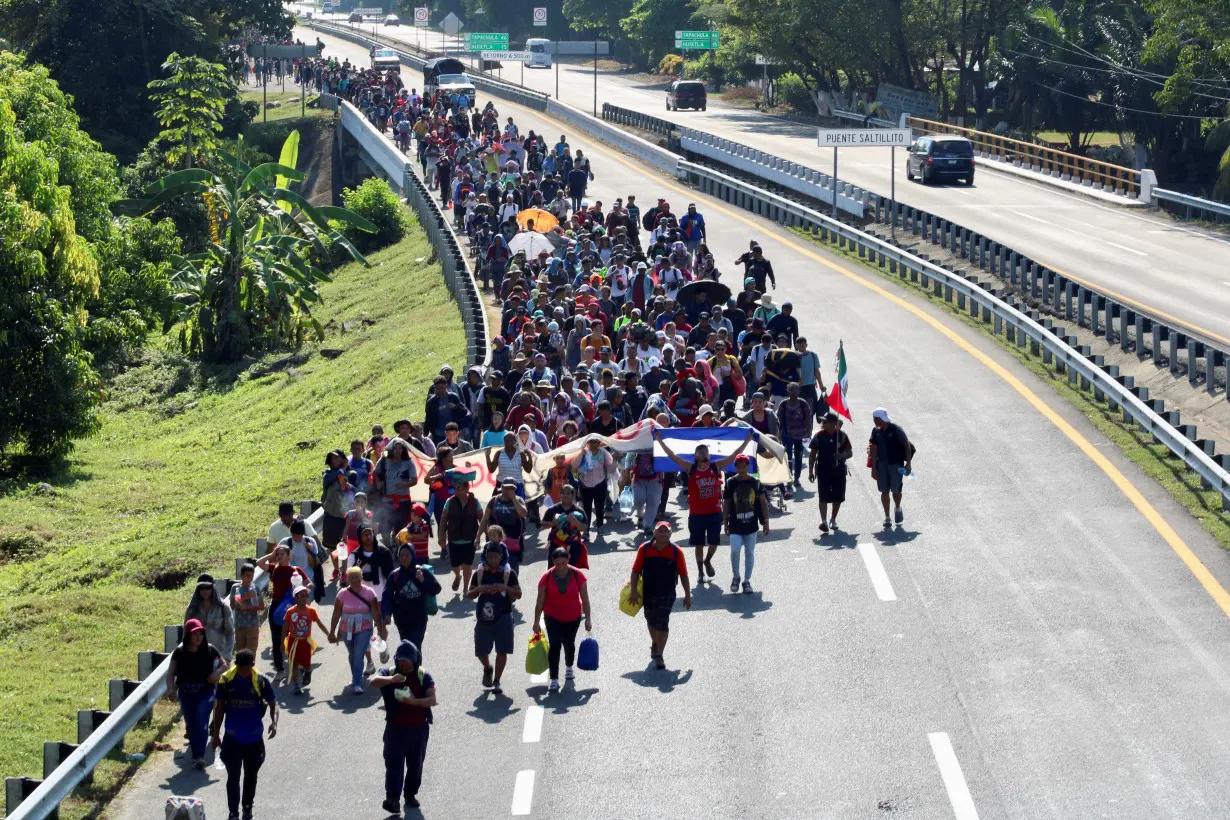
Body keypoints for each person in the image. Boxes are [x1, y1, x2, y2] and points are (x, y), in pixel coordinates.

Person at [653, 427, 754, 582]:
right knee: (699, 544)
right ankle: (700, 571)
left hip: (714, 512)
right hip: (697, 514)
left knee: (714, 543)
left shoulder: (715, 466)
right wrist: (660, 440)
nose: (703, 453)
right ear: (696, 456)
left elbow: (734, 455)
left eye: (705, 451)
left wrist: (747, 440)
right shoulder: (690, 468)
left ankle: (707, 560)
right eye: (700, 452)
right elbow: (672, 456)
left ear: (709, 454)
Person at [210, 649, 277, 820]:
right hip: (233, 739)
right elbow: (219, 709)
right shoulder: (226, 681)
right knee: (233, 776)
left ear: (253, 664)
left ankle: (247, 807)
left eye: (246, 669)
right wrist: (216, 735)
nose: (243, 672)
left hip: (254, 740)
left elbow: (273, 703)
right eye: (240, 669)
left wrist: (274, 722)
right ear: (237, 665)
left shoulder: (261, 681)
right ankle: (233, 812)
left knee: (251, 776)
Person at [371, 640, 436, 814]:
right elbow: (373, 681)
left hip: (418, 730)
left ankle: (410, 795)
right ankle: (392, 799)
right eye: (400, 659)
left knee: (415, 765)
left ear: (414, 660)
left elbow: (432, 700)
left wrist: (414, 701)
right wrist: (392, 680)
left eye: (406, 659)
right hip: (395, 729)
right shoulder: (390, 673)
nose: (403, 662)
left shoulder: (423, 676)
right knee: (393, 765)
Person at [627, 522, 692, 671]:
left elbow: (683, 575)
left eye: (666, 531)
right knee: (651, 620)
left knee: (662, 622)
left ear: (670, 534)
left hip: (667, 593)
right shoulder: (644, 549)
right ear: (654, 533)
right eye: (660, 531)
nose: (663, 534)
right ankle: (655, 643)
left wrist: (688, 595)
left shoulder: (677, 552)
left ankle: (659, 655)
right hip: (648, 592)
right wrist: (634, 591)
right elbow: (635, 571)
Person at [166, 618, 226, 768]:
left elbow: (224, 665)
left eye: (200, 634)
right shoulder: (179, 652)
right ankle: (196, 752)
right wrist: (171, 688)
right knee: (192, 724)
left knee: (202, 722)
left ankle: (198, 756)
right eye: (194, 634)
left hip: (205, 692)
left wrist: (216, 673)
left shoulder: (210, 650)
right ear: (188, 635)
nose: (198, 637)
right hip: (186, 694)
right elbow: (170, 673)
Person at [532, 547, 593, 693]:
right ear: (553, 562)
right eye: (557, 564)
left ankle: (569, 667)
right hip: (552, 616)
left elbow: (585, 598)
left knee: (569, 643)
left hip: (573, 616)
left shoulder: (578, 575)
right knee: (554, 645)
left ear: (568, 560)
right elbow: (540, 601)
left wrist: (588, 619)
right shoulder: (546, 577)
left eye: (564, 563)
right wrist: (536, 622)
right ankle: (554, 679)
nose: (561, 567)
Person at [467, 542, 521, 695]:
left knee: (502, 650)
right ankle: (487, 668)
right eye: (489, 557)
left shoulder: (508, 573)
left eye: (495, 557)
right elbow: (470, 595)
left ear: (501, 557)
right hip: (483, 618)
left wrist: (506, 588)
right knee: (480, 651)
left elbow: (518, 593)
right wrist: (479, 589)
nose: (492, 560)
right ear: (485, 557)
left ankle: (497, 681)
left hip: (503, 616)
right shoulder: (479, 573)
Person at [254, 544, 310, 674]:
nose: (279, 557)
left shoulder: (296, 570)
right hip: (276, 605)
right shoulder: (274, 568)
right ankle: (279, 669)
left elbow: (309, 584)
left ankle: (297, 666)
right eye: (277, 554)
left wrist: (303, 594)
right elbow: (259, 563)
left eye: (281, 554)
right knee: (276, 638)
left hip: (291, 606)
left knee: (293, 637)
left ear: (289, 555)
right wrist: (271, 555)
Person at [331, 566, 388, 694]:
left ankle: (357, 683)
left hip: (364, 628)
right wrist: (332, 632)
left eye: (357, 577)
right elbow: (336, 613)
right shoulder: (342, 594)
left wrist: (380, 630)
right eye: (352, 577)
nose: (355, 580)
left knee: (358, 653)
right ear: (348, 579)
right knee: (352, 654)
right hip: (347, 628)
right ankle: (355, 677)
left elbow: (375, 612)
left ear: (362, 578)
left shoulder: (369, 593)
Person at [723, 454, 770, 594]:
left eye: (744, 466)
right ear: (735, 467)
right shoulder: (730, 482)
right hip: (735, 525)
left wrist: (766, 521)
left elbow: (763, 502)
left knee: (749, 552)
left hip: (751, 525)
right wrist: (725, 522)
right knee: (735, 549)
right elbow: (727, 503)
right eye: (739, 466)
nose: (742, 469)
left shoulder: (755, 482)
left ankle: (747, 580)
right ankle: (736, 577)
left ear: (749, 466)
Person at [383, 544, 442, 651]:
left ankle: (416, 667)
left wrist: (422, 580)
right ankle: (412, 667)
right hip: (401, 619)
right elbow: (387, 596)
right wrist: (386, 613)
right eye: (401, 555)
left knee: (414, 645)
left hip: (419, 618)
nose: (404, 558)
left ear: (413, 556)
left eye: (407, 555)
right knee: (406, 646)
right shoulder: (394, 575)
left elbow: (436, 588)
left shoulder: (422, 571)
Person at [283, 582, 332, 696]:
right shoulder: (290, 612)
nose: (305, 597)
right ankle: (296, 686)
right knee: (294, 664)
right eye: (302, 595)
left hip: (305, 642)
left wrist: (328, 634)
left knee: (307, 664)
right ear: (295, 598)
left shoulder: (311, 611)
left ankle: (308, 672)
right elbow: (284, 628)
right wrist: (281, 643)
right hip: (293, 641)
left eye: (306, 595)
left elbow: (320, 624)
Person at [868, 407, 913, 527]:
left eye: (877, 420)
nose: (876, 422)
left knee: (896, 490)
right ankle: (887, 517)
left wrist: (908, 464)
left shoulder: (897, 430)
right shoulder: (875, 431)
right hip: (881, 465)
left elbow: (907, 446)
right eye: (875, 420)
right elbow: (873, 449)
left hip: (895, 465)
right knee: (884, 491)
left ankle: (897, 507)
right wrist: (873, 469)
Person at [809, 412, 854, 532]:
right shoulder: (819, 436)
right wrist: (810, 471)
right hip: (823, 470)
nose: (823, 423)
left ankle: (833, 520)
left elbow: (850, 452)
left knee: (837, 497)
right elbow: (812, 454)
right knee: (823, 497)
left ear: (833, 423)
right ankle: (823, 521)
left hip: (838, 471)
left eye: (826, 421)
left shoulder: (842, 436)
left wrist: (842, 456)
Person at [439, 478, 483, 593]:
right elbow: (443, 520)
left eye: (461, 489)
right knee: (454, 564)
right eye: (456, 489)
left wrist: (482, 536)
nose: (458, 492)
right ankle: (458, 575)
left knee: (468, 564)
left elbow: (482, 520)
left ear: (467, 488)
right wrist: (441, 536)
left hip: (470, 539)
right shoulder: (450, 501)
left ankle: (465, 588)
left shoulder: (475, 502)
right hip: (454, 538)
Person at [480, 479, 529, 574]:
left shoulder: (518, 500)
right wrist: (478, 537)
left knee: (511, 573)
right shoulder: (494, 500)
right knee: (494, 572)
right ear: (501, 488)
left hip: (513, 543)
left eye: (511, 488)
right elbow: (485, 519)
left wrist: (514, 499)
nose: (508, 490)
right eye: (506, 488)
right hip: (495, 543)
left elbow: (523, 514)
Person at [185, 573, 235, 662]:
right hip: (198, 657)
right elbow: (186, 633)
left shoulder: (224, 608)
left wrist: (227, 654)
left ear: (213, 588)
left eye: (208, 588)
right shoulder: (192, 609)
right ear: (198, 590)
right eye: (201, 588)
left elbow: (230, 633)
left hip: (219, 656)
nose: (205, 591)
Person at [574, 437, 615, 536]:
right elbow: (574, 466)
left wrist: (615, 459)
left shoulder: (603, 453)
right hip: (585, 485)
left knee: (599, 507)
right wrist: (581, 454)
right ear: (588, 442)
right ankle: (586, 530)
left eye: (596, 442)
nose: (594, 444)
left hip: (600, 484)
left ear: (599, 443)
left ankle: (600, 526)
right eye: (591, 441)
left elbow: (610, 468)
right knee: (586, 508)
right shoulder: (584, 452)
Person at [777, 382, 814, 489]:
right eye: (791, 390)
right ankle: (789, 478)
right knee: (788, 457)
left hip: (800, 435)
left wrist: (809, 432)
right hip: (786, 435)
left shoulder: (803, 404)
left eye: (795, 390)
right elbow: (778, 421)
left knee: (798, 457)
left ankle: (797, 478)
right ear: (787, 391)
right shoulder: (783, 404)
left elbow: (808, 419)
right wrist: (779, 434)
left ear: (799, 391)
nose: (793, 392)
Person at [230, 563, 264, 658]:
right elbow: (232, 605)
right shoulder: (235, 588)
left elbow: (261, 606)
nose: (249, 578)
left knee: (251, 653)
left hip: (252, 625)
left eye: (251, 576)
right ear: (241, 575)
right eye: (247, 576)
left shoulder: (255, 588)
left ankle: (251, 672)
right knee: (240, 653)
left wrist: (247, 607)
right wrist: (245, 597)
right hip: (239, 625)